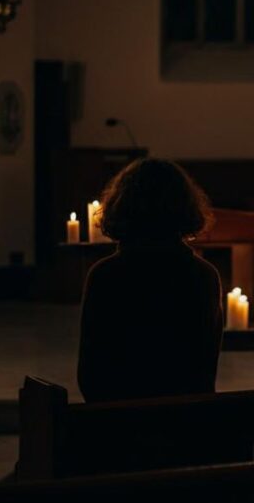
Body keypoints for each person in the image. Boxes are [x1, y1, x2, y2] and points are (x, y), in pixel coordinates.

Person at [77, 158, 223, 403]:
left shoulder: (105, 275)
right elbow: (204, 370)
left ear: (122, 207)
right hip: (186, 419)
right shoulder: (204, 276)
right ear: (184, 208)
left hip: (119, 419)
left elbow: (91, 373)